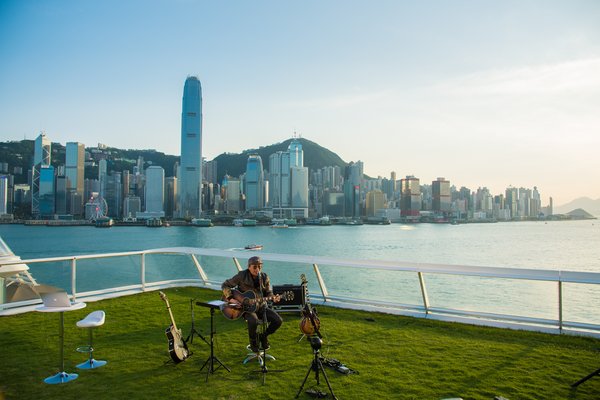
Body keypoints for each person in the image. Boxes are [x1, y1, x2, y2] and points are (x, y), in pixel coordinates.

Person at [222, 256, 283, 352]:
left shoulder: (264, 277)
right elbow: (225, 285)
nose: (257, 269)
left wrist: (274, 297)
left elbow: (268, 292)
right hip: (245, 308)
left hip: (261, 306)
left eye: (259, 266)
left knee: (278, 320)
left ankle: (263, 336)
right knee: (253, 321)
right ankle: (253, 342)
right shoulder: (242, 275)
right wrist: (231, 299)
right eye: (255, 267)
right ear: (249, 266)